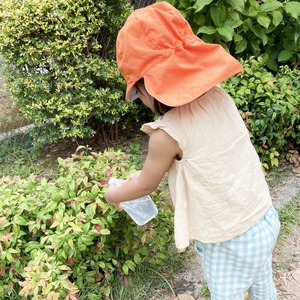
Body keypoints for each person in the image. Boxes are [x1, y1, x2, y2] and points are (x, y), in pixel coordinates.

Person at [104, 2, 280, 299]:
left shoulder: (167, 134)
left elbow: (147, 183)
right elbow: (208, 154)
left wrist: (114, 195)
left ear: (148, 86)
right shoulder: (219, 96)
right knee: (264, 288)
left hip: (228, 240)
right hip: (262, 217)